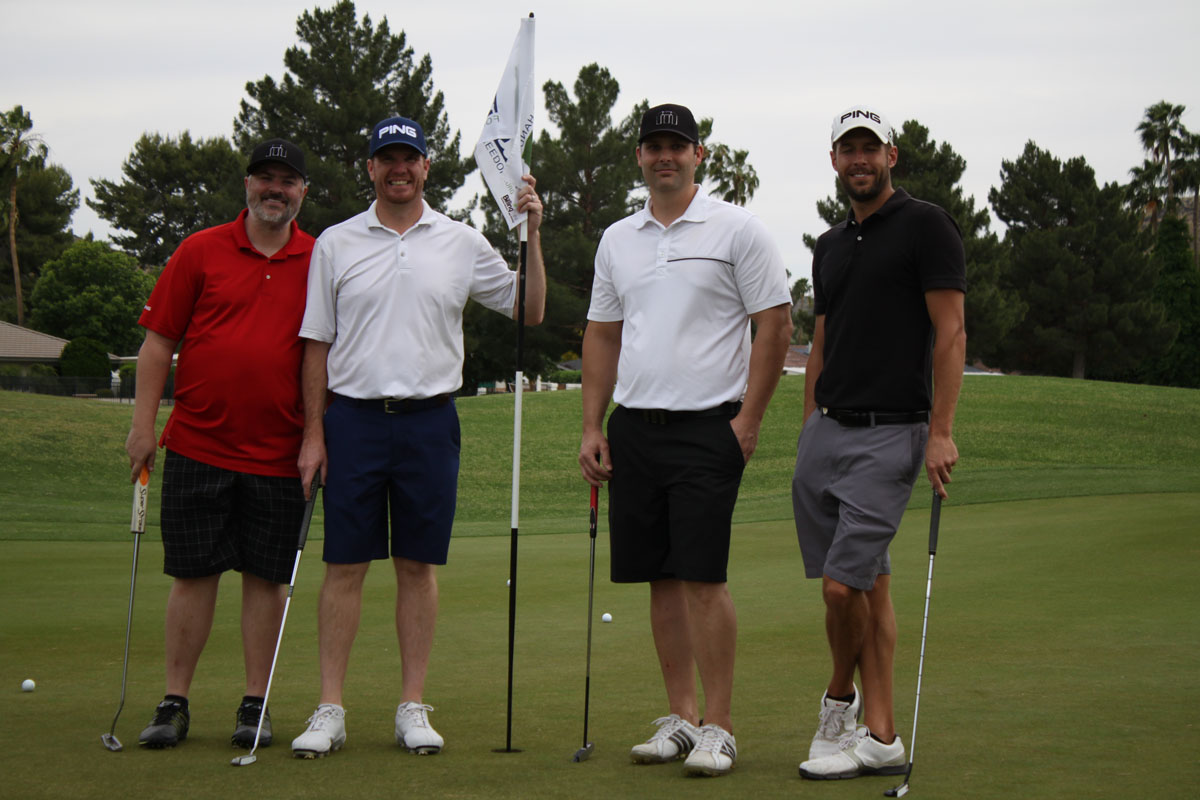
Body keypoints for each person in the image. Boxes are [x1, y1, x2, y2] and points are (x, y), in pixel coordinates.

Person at [290, 115, 545, 758]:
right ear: (371, 168)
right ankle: (330, 708)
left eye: (410, 158)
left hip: (430, 422)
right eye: (387, 159)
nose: (398, 169)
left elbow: (529, 308)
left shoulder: (460, 241)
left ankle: (411, 704)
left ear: (427, 167)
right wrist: (314, 433)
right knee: (344, 564)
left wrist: (533, 234)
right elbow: (316, 343)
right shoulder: (336, 243)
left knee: (417, 565)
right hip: (353, 420)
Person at [578, 103, 792, 777]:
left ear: (699, 154)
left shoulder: (738, 229)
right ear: (640, 157)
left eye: (677, 145)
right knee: (661, 579)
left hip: (708, 428)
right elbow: (603, 334)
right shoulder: (618, 238)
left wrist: (748, 421)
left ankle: (719, 727)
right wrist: (592, 425)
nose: (664, 156)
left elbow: (775, 324)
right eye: (653, 146)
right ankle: (681, 717)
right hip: (635, 428)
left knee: (702, 578)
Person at [792, 105, 966, 781]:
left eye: (871, 147)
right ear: (835, 160)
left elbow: (950, 332)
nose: (859, 159)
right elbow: (823, 339)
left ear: (891, 155)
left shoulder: (927, 225)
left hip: (892, 432)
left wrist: (941, 431)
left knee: (842, 589)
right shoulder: (830, 244)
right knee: (868, 586)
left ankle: (839, 701)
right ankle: (884, 736)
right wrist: (809, 425)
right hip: (827, 433)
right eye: (848, 148)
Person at [124, 138, 314, 749]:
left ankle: (255, 705)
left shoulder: (320, 258)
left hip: (280, 454)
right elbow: (158, 342)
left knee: (266, 581)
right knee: (192, 575)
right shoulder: (199, 249)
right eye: (265, 177)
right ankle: (174, 701)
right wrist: (143, 427)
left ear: (302, 192)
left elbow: (326, 355)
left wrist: (317, 437)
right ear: (247, 184)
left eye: (287, 180)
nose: (275, 189)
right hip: (197, 445)